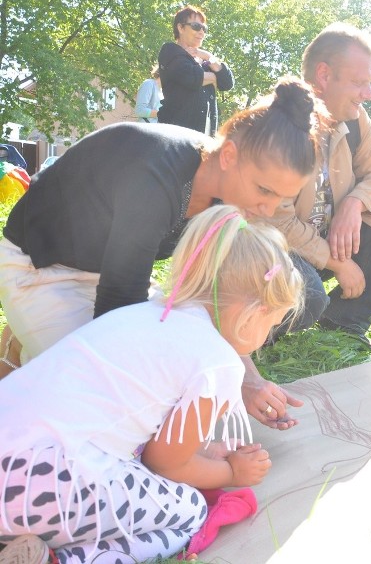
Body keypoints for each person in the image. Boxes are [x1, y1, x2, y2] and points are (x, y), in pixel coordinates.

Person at [0, 77, 322, 430]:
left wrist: (246, 380)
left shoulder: (227, 192)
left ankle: (30, 345)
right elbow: (118, 317)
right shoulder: (156, 176)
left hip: (110, 273)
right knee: (112, 406)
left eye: (281, 198)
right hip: (40, 269)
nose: (267, 208)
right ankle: (24, 344)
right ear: (229, 155)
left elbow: (211, 295)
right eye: (264, 190)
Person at [0, 205, 301, 564]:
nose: (266, 339)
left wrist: (202, 452)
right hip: (38, 482)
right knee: (188, 511)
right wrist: (231, 471)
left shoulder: (145, 313)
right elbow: (165, 463)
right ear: (255, 313)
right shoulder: (219, 362)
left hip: (14, 456)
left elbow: (144, 424)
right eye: (272, 326)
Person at [267, 22, 371, 347]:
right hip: (277, 252)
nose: (369, 94)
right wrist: (338, 263)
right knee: (309, 297)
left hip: (329, 242)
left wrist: (355, 203)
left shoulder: (355, 118)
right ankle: (256, 325)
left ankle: (344, 321)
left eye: (370, 83)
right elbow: (274, 220)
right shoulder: (276, 125)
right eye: (359, 83)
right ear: (323, 76)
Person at [158, 5, 234, 136]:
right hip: (175, 138)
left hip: (204, 140)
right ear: (180, 27)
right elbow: (192, 77)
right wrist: (216, 77)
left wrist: (208, 56)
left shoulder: (205, 62)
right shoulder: (170, 51)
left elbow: (227, 83)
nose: (201, 32)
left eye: (204, 28)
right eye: (196, 26)